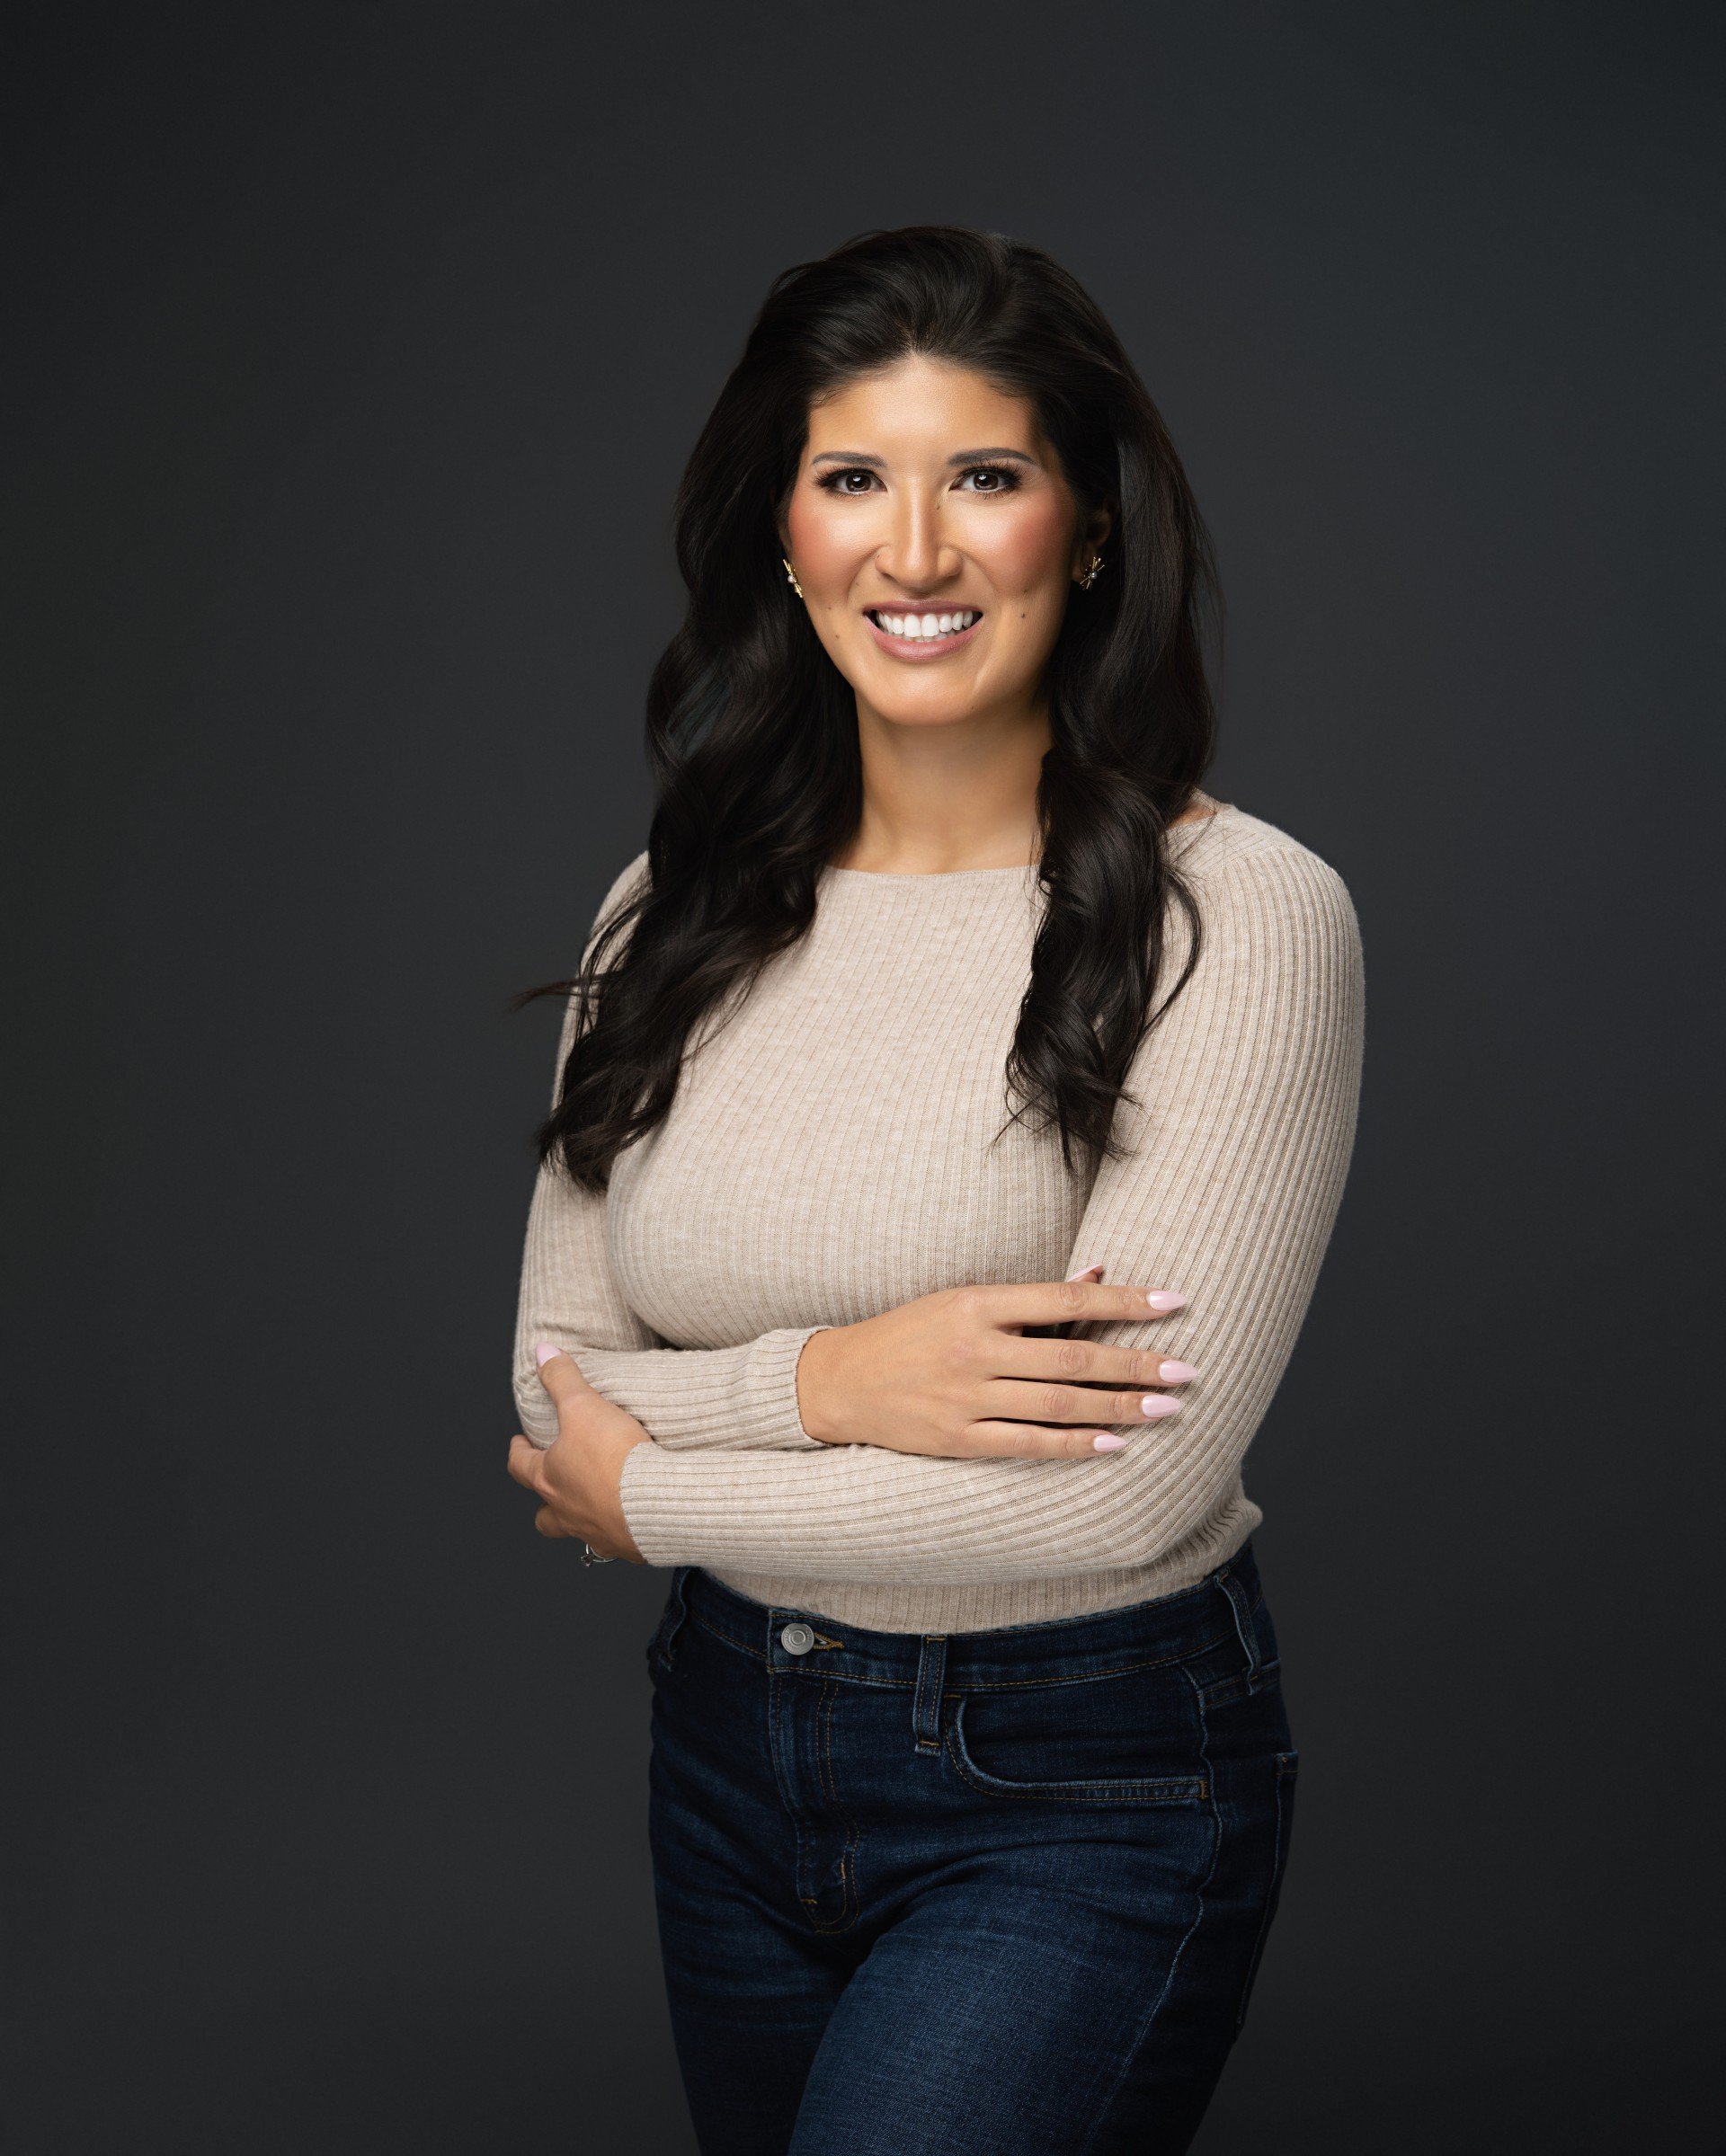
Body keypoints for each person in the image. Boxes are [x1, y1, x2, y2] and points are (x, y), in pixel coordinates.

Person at [505, 225, 1365, 2154]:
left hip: (1085, 1771)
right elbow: (549, 1374)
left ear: (1092, 527)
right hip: (727, 1747)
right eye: (850, 482)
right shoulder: (673, 911)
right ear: (780, 535)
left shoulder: (1244, 914)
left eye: (984, 475)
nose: (914, 553)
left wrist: (656, 1488)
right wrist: (840, 1386)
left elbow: (1129, 1473)